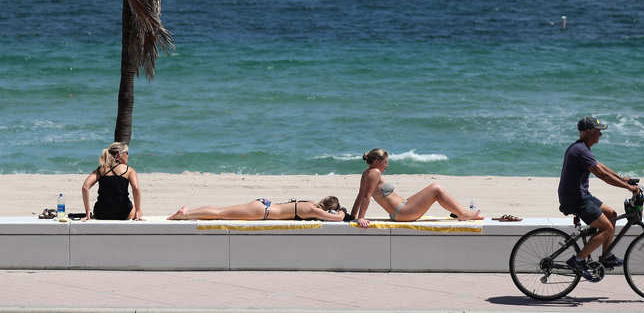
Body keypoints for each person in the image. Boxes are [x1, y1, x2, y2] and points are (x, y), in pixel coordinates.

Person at [558, 116, 639, 280]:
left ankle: (606, 257)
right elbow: (602, 175)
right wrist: (628, 188)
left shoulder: (582, 148)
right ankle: (578, 260)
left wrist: (623, 179)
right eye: (598, 132)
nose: (600, 135)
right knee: (607, 228)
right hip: (576, 199)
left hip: (581, 195)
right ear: (588, 132)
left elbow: (602, 167)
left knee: (612, 214)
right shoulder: (580, 150)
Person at [350, 148, 484, 228]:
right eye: (385, 162)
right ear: (377, 162)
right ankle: (463, 213)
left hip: (403, 208)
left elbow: (359, 196)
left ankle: (462, 212)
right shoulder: (375, 173)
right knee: (436, 188)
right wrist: (361, 218)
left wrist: (352, 216)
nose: (387, 165)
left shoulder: (366, 173)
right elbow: (366, 196)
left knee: (434, 189)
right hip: (403, 213)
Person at [81, 142, 142, 220]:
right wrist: (138, 210)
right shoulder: (129, 170)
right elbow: (136, 188)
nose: (128, 156)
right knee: (138, 211)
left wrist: (87, 211)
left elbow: (85, 187)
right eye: (126, 153)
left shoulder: (101, 169)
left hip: (101, 213)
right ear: (119, 155)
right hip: (123, 212)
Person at [167, 195, 348, 221]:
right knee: (221, 214)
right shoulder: (314, 211)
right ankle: (185, 214)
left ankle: (187, 212)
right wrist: (342, 211)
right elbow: (338, 218)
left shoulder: (309, 203)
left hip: (264, 205)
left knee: (222, 211)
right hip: (262, 212)